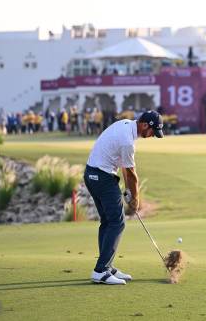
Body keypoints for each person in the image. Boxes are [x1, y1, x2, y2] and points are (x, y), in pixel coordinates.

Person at [83, 110, 164, 285]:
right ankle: (100, 270)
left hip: (91, 174)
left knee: (107, 221)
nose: (151, 136)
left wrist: (128, 191)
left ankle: (107, 265)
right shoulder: (128, 142)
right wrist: (135, 201)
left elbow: (124, 168)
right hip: (102, 177)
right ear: (144, 125)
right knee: (117, 223)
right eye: (152, 132)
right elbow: (132, 174)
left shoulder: (125, 125)